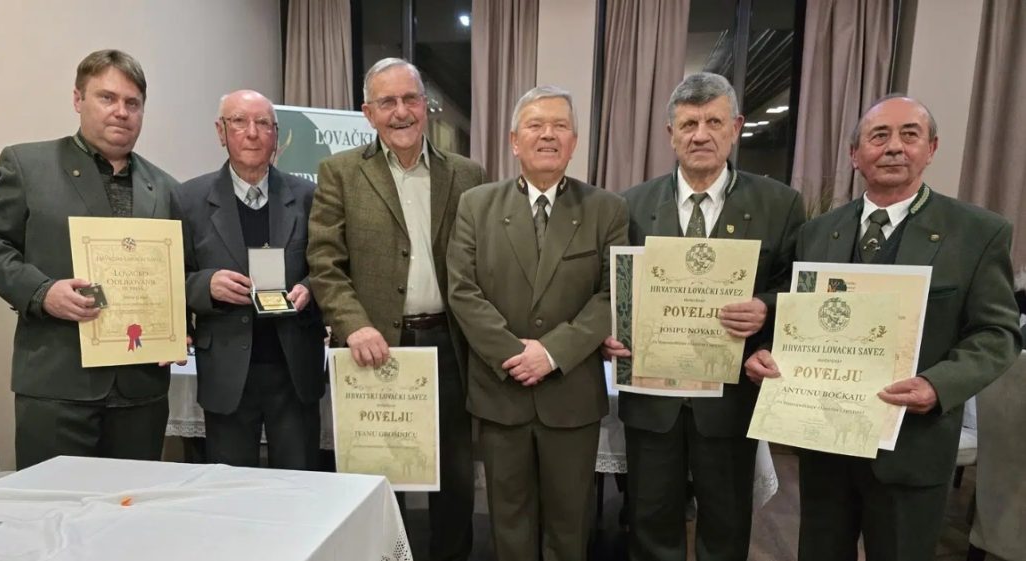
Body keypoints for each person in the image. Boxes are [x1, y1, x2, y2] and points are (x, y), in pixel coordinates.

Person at [744, 95, 1023, 561]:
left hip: (912, 450)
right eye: (879, 136)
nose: (894, 147)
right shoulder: (818, 233)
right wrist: (768, 351)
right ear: (856, 155)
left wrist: (938, 385)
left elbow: (998, 333)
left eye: (909, 135)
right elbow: (802, 318)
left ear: (931, 148)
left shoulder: (977, 233)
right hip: (826, 445)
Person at [601, 72, 804, 561]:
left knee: (727, 520)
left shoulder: (779, 204)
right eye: (688, 123)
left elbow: (796, 290)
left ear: (735, 127)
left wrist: (765, 308)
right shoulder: (630, 204)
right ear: (669, 133)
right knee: (649, 517)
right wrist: (612, 331)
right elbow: (613, 288)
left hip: (730, 394)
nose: (700, 134)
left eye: (713, 121)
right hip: (654, 397)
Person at [0, 49, 180, 469]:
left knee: (131, 514)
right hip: (57, 387)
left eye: (132, 103)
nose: (121, 112)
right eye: (107, 98)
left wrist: (178, 326)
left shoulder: (166, 187)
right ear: (77, 99)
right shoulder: (29, 165)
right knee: (52, 515)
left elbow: (180, 272)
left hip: (141, 392)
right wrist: (41, 292)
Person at [308, 58, 485, 561]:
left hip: (449, 347)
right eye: (388, 102)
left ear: (425, 108)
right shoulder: (339, 173)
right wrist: (353, 324)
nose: (402, 112)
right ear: (368, 113)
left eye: (411, 99)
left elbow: (483, 263)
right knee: (383, 478)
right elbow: (324, 260)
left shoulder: (467, 174)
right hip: (374, 348)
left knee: (453, 476)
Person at [447, 85, 630, 561]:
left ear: (574, 142)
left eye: (560, 126)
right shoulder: (476, 205)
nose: (548, 134)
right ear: (513, 140)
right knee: (509, 519)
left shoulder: (606, 209)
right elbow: (463, 291)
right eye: (535, 125)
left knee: (571, 524)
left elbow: (612, 293)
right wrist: (514, 352)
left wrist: (551, 353)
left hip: (570, 394)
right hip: (500, 390)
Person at [175, 90, 325, 470]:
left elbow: (330, 266)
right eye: (239, 122)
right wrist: (204, 286)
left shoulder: (310, 197)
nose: (252, 133)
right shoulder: (188, 199)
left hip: (293, 368)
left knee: (300, 486)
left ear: (277, 134)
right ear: (220, 131)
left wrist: (309, 287)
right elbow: (170, 277)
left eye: (263, 124)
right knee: (230, 490)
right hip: (227, 369)